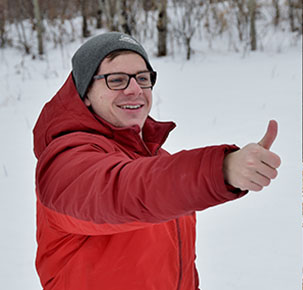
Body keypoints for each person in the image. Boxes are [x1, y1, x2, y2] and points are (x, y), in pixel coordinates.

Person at [32, 32, 281, 289]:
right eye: (116, 80)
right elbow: (122, 189)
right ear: (84, 93)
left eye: (143, 78)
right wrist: (221, 169)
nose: (134, 89)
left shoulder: (159, 161)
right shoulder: (64, 160)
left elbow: (178, 266)